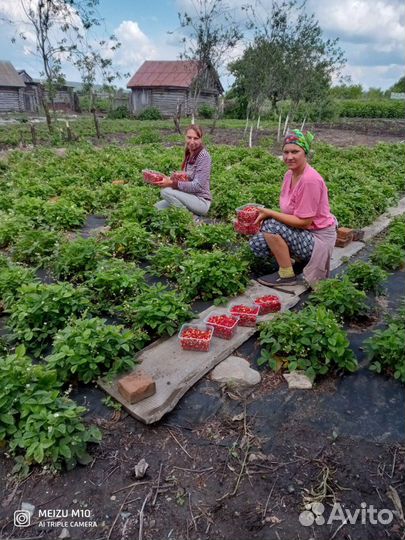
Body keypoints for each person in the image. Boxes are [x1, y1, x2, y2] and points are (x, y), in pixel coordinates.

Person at [249, 129, 337, 288]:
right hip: (304, 234)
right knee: (258, 243)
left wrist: (269, 213)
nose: (289, 157)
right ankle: (296, 262)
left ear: (305, 153)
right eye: (286, 152)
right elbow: (290, 213)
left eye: (295, 151)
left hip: (318, 240)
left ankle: (286, 275)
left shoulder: (310, 180)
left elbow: (304, 222)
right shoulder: (289, 175)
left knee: (270, 225)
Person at [154, 124, 212, 216]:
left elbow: (197, 186)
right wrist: (166, 179)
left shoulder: (204, 156)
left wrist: (171, 183)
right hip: (188, 196)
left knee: (165, 192)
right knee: (156, 209)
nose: (192, 141)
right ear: (185, 137)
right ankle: (186, 214)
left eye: (195, 138)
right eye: (189, 137)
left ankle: (190, 219)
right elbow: (187, 178)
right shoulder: (189, 154)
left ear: (201, 139)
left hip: (200, 201)